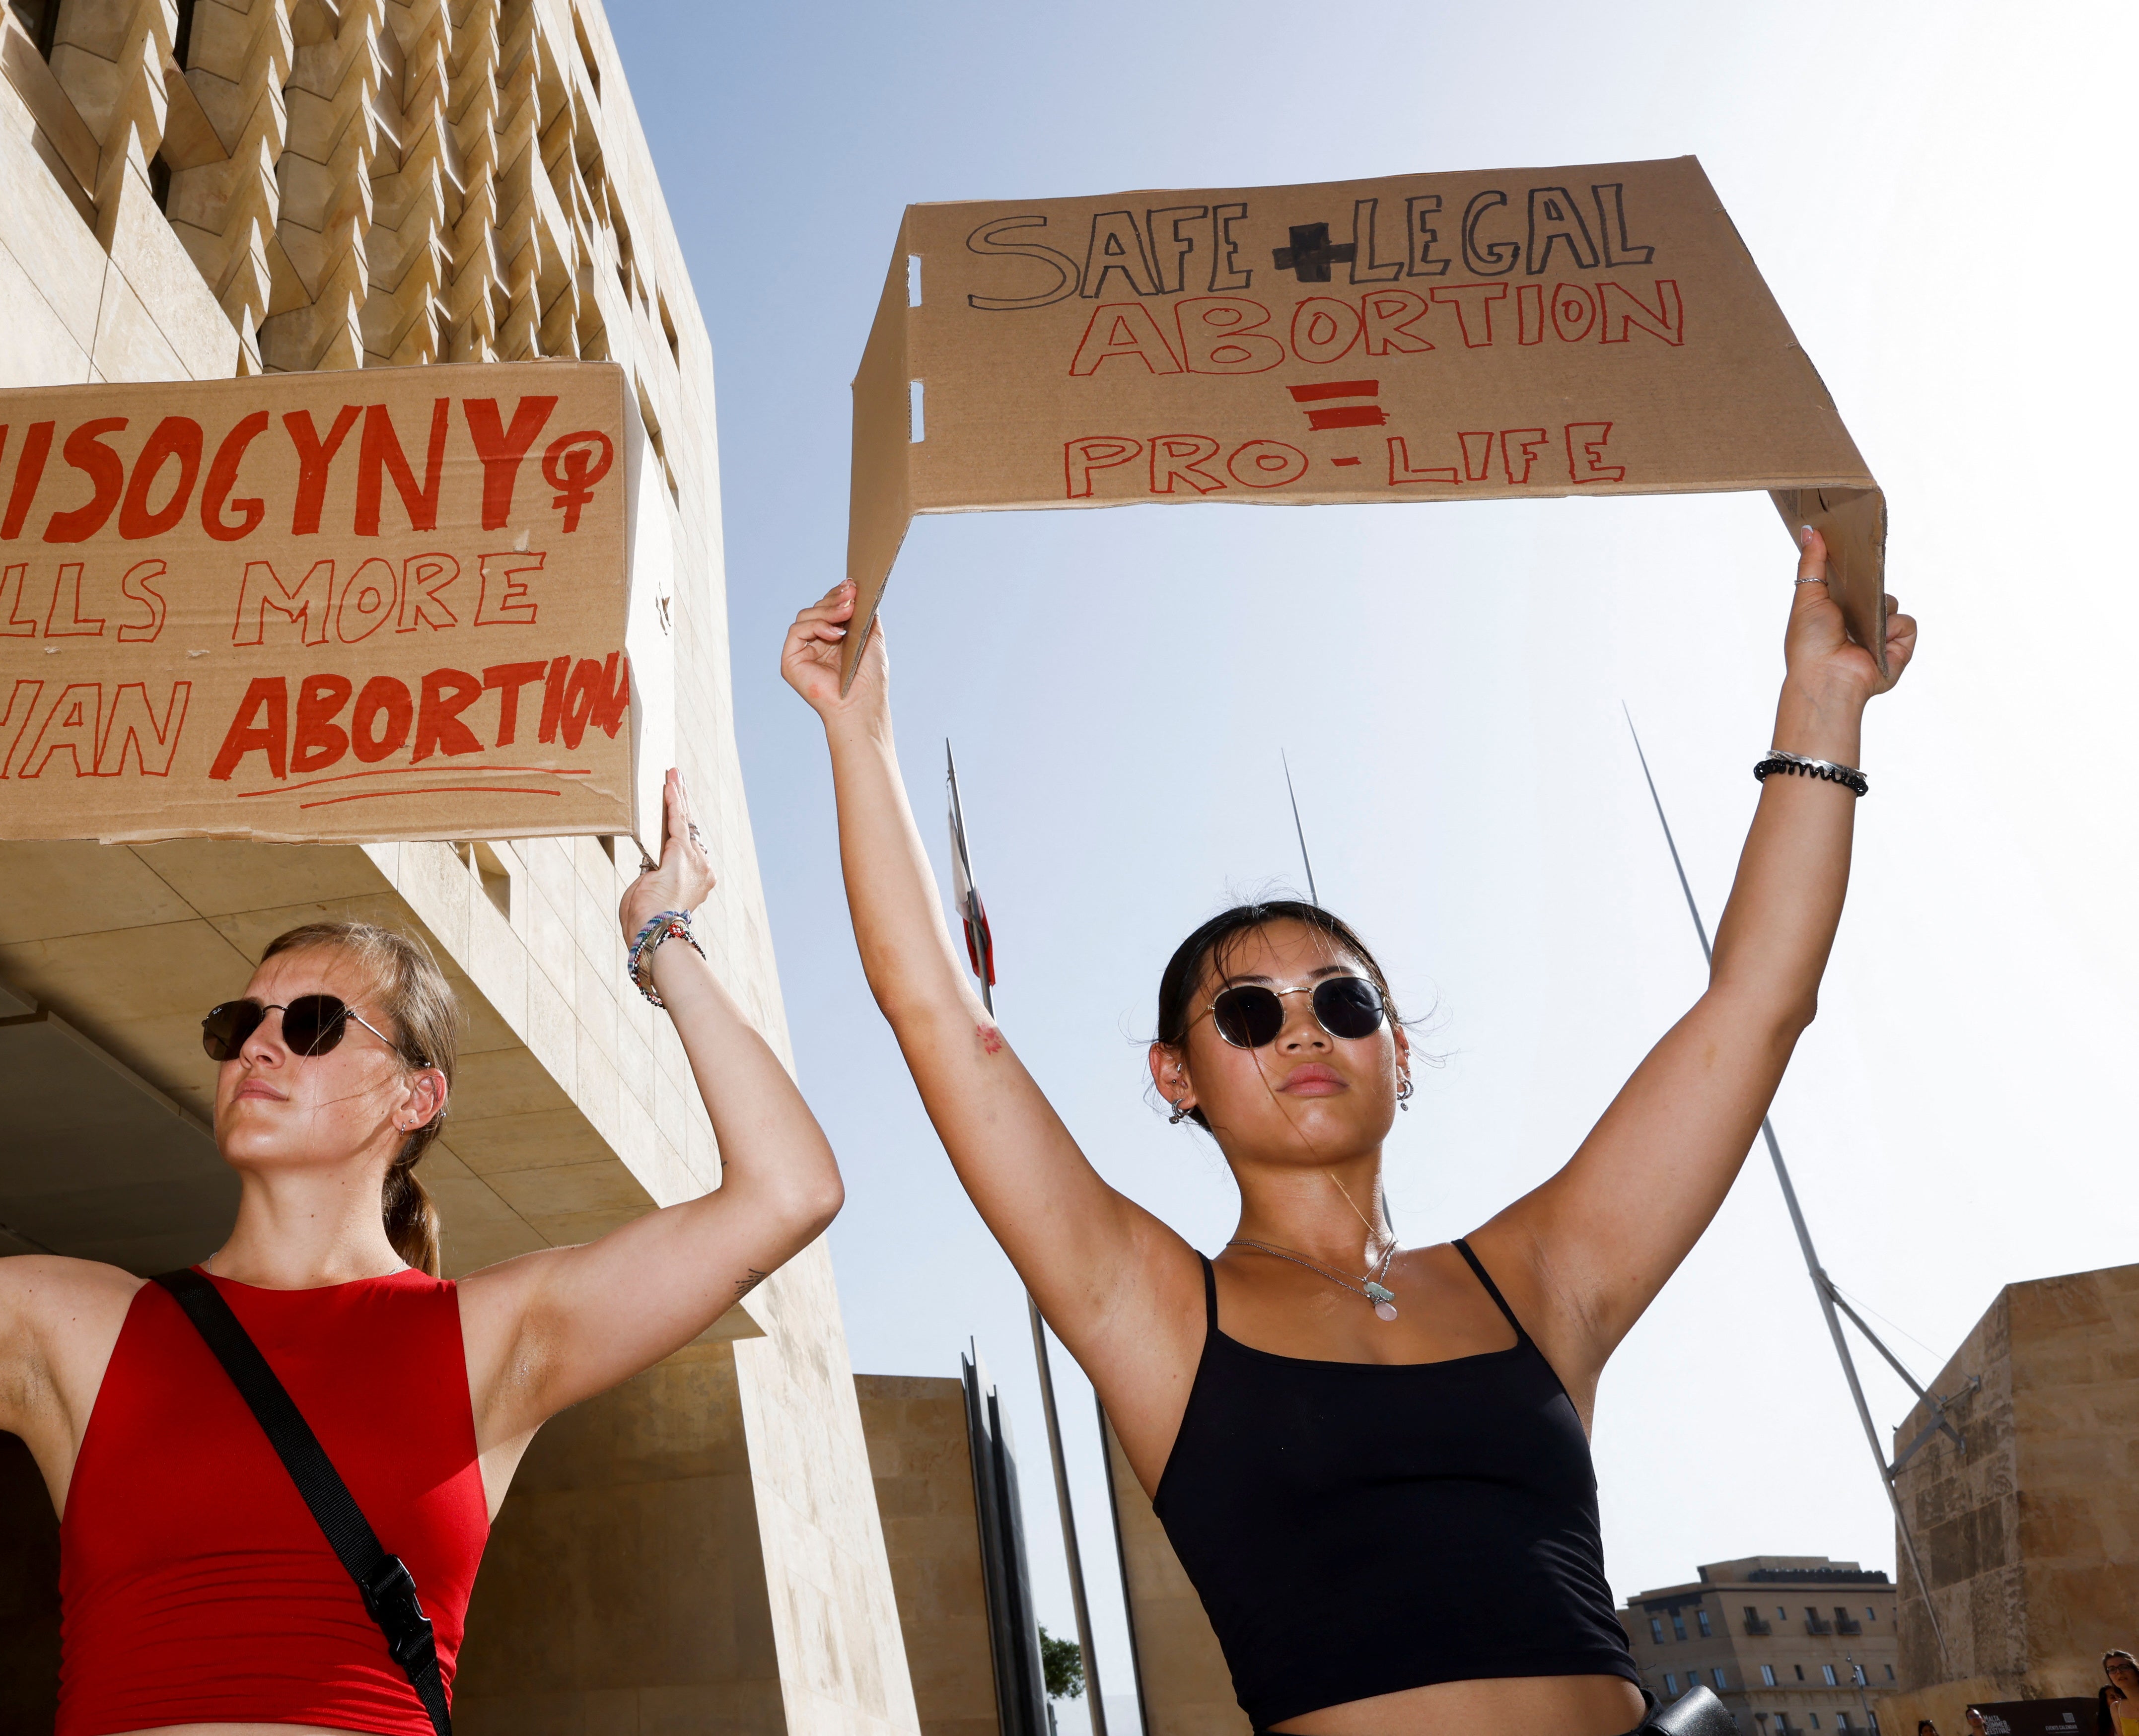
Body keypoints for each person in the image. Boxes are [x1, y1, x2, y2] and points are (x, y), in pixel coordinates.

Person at [782, 524, 1914, 1736]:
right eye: (1251, 1015)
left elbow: (1755, 1006)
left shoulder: (1539, 1277)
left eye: (1341, 1001)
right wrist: (859, 735)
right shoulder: (1151, 1312)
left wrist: (1820, 701)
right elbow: (939, 1023)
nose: (1303, 1032)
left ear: (1396, 1050)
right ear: (1177, 1076)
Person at [0, 769, 842, 1736]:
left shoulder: (495, 1337)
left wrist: (660, 930)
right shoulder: (74, 1329)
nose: (255, 1046)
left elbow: (787, 1190)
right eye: (237, 1023)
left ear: (417, 1098)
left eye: (309, 1025)